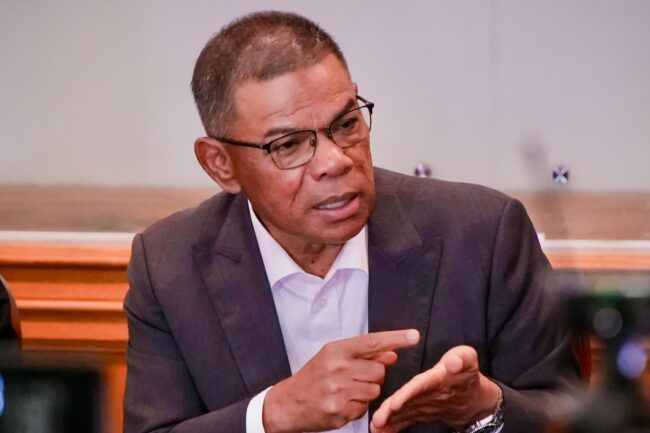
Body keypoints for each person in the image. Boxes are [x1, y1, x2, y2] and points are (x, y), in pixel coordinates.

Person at [123, 11, 578, 433]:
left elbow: (567, 414)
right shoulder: (170, 266)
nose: (335, 161)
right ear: (221, 164)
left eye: (345, 125)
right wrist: (272, 413)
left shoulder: (483, 234)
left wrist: (482, 407)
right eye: (288, 145)